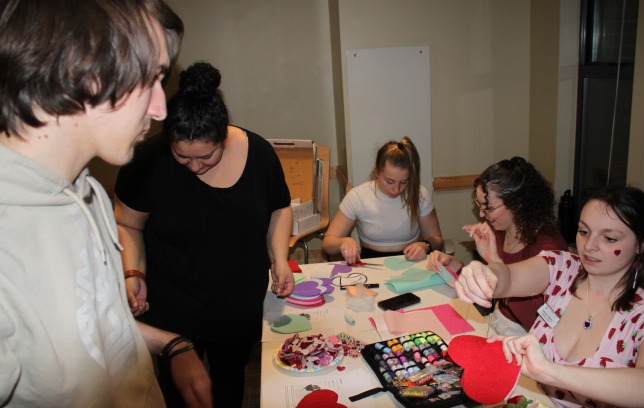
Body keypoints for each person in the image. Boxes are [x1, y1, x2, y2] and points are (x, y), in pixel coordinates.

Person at [0, 1, 212, 407]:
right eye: (150, 79)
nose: (160, 107)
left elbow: (92, 334)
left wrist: (173, 345)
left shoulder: (87, 191)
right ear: (82, 72)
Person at [114, 61, 295, 407]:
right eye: (182, 157)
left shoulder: (258, 154)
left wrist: (279, 258)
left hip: (236, 304)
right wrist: (133, 271)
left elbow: (279, 207)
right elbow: (128, 224)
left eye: (206, 157)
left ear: (224, 135)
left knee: (229, 384)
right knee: (181, 395)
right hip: (172, 307)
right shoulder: (146, 160)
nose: (195, 167)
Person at [456, 186, 644, 407]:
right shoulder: (564, 268)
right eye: (584, 232)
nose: (589, 246)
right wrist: (486, 274)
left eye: (609, 238)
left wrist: (550, 373)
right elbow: (508, 278)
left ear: (643, 244)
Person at [427, 157, 567, 334]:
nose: (481, 214)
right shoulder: (502, 231)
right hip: (499, 320)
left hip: (529, 336)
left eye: (488, 207)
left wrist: (493, 261)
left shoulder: (548, 248)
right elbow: (488, 283)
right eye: (479, 205)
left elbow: (540, 320)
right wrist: (452, 265)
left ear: (517, 204)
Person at [322, 136, 444, 263]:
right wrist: (343, 242)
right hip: (371, 263)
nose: (396, 190)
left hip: (411, 262)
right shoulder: (358, 196)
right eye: (389, 181)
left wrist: (425, 246)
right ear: (376, 172)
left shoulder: (420, 194)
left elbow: (437, 239)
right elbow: (327, 244)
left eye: (403, 182)